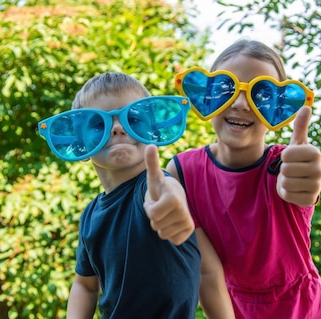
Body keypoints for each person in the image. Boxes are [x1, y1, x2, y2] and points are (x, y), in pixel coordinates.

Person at [168, 39, 321, 318]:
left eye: (262, 95)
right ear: (207, 95)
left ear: (279, 110)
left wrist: (304, 184)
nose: (241, 104)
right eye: (226, 88)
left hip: (306, 310)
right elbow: (204, 271)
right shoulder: (183, 173)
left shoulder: (289, 163)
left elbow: (301, 186)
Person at [38, 72, 207, 318]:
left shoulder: (155, 187)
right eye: (98, 123)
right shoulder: (90, 215)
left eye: (133, 118)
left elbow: (166, 192)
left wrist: (173, 203)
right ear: (81, 143)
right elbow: (85, 285)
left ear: (152, 132)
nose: (117, 128)